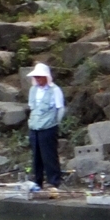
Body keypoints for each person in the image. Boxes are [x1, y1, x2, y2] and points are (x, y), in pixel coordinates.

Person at [26, 62, 65, 192]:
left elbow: (60, 108)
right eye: (36, 77)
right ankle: (38, 180)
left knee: (49, 155)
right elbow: (32, 107)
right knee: (36, 155)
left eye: (40, 76)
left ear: (46, 77)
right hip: (35, 126)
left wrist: (55, 123)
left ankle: (54, 181)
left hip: (49, 126)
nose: (38, 79)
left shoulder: (55, 90)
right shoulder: (33, 90)